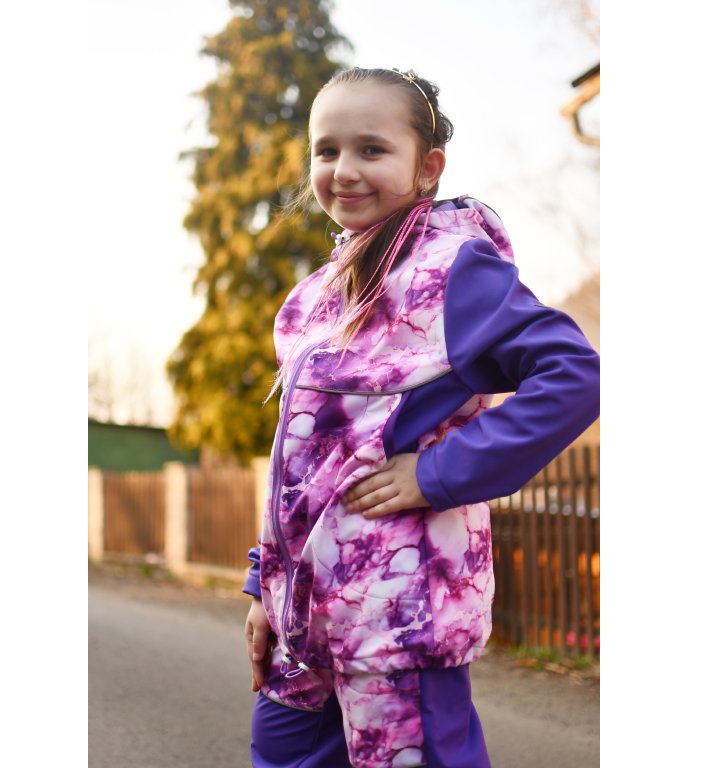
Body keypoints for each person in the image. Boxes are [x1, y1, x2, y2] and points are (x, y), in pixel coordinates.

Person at [241, 67, 600, 768]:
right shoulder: (314, 298)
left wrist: (436, 473)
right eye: (326, 150)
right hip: (300, 622)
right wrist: (263, 586)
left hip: (397, 619)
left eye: (372, 149)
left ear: (427, 168)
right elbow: (300, 463)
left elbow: (574, 376)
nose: (345, 169)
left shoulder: (454, 271)